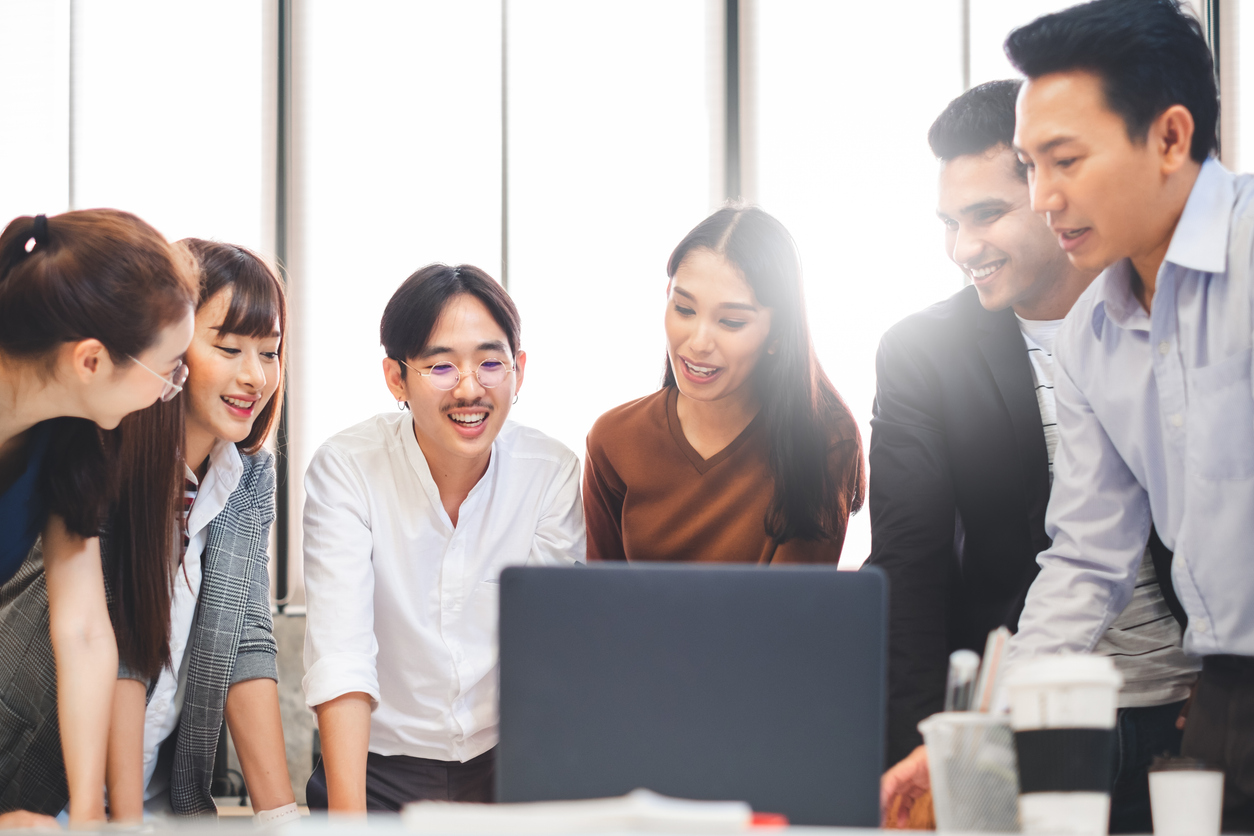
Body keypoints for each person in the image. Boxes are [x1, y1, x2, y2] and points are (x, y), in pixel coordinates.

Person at [872, 78, 1198, 833]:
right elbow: (914, 568)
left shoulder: (1172, 313)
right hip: (1029, 718)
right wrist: (934, 746)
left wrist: (1232, 681)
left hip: (1193, 710)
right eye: (950, 222)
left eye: (987, 214)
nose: (964, 247)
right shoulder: (926, 353)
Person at [1001, 0, 1254, 830]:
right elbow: (1086, 558)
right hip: (1227, 694)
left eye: (1065, 159)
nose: (1044, 197)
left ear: (1171, 139)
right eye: (1030, 165)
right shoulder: (1089, 336)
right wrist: (1000, 719)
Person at [302, 263, 585, 811]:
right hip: (377, 773)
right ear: (395, 377)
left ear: (519, 371)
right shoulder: (347, 468)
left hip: (508, 769)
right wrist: (349, 821)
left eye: (489, 362)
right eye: (440, 366)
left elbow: (549, 655)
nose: (470, 388)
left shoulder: (551, 472)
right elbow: (342, 653)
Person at [0, 210, 196, 827]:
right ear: (90, 361)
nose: (174, 389)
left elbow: (83, 628)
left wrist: (87, 813)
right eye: (168, 371)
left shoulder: (69, 438)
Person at [97, 239, 296, 821]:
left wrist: (281, 820)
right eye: (229, 347)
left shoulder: (250, 472)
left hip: (166, 804)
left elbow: (249, 641)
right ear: (170, 347)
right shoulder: (106, 454)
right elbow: (120, 651)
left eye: (270, 351)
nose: (254, 376)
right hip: (56, 796)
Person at [584, 206, 864, 564]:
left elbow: (793, 613)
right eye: (684, 309)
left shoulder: (823, 441)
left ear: (778, 334)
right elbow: (602, 601)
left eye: (731, 321)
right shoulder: (614, 440)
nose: (699, 342)